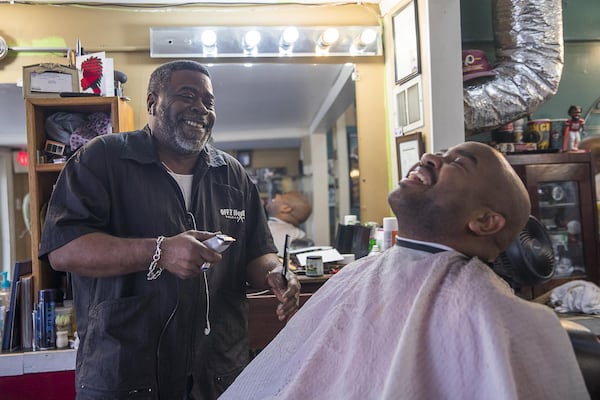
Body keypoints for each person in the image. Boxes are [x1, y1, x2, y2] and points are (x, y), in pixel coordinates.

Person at [220, 141, 590, 400]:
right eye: (441, 153)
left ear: (484, 220)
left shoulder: (503, 319)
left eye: (458, 163)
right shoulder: (358, 273)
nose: (430, 156)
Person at [39, 60, 300, 400]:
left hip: (218, 374)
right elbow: (63, 250)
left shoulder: (232, 175)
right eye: (186, 95)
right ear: (151, 102)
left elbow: (256, 253)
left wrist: (276, 273)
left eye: (208, 101)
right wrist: (159, 251)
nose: (200, 109)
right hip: (126, 374)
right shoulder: (102, 159)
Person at [265, 191, 312, 256]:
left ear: (285, 208)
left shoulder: (296, 236)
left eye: (282, 196)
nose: (276, 195)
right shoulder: (299, 234)